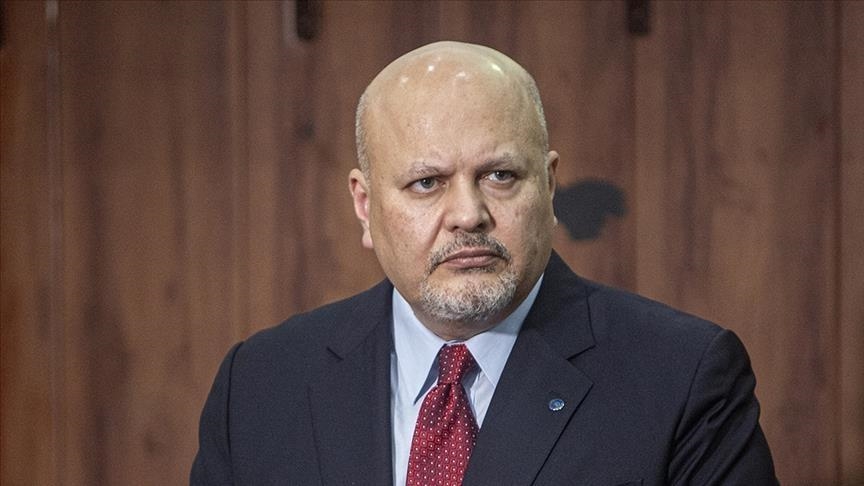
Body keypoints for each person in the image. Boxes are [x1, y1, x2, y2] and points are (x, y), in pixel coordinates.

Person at [191, 41, 777, 485]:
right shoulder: (261, 386)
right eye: (426, 182)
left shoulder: (681, 377)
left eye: (500, 175)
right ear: (365, 206)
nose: (468, 214)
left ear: (549, 186)